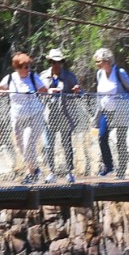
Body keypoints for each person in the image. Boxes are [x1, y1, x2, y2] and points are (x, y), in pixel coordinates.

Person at [0, 51, 48, 182]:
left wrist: (49, 89)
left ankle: (31, 174)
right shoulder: (10, 78)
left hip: (34, 116)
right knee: (21, 146)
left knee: (28, 142)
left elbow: (44, 90)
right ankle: (34, 169)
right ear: (17, 67)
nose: (28, 69)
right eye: (25, 67)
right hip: (17, 118)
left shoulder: (32, 77)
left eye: (29, 66)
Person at [92, 49, 129, 177]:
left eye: (98, 61)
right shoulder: (99, 74)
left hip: (121, 110)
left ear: (107, 61)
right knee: (102, 137)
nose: (97, 64)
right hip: (107, 111)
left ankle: (122, 169)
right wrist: (96, 116)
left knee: (121, 139)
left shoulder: (119, 72)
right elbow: (99, 96)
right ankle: (108, 165)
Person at [43, 50, 81, 182]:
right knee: (49, 145)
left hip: (65, 115)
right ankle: (51, 172)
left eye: (59, 62)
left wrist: (76, 91)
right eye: (54, 62)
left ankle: (69, 172)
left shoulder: (70, 76)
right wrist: (48, 91)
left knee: (66, 144)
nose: (57, 65)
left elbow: (78, 94)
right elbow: (37, 93)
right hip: (49, 116)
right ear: (50, 62)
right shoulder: (44, 76)